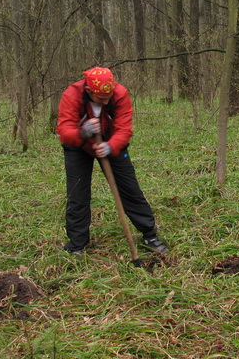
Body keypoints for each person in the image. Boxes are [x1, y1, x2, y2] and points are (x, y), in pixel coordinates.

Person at [56, 67, 168, 256]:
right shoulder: (72, 95)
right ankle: (77, 244)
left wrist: (111, 146)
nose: (106, 102)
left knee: (130, 189)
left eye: (108, 97)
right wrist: (82, 132)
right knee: (77, 194)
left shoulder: (120, 94)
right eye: (101, 98)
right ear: (89, 91)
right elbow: (64, 129)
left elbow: (124, 128)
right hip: (79, 145)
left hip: (111, 143)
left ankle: (150, 235)